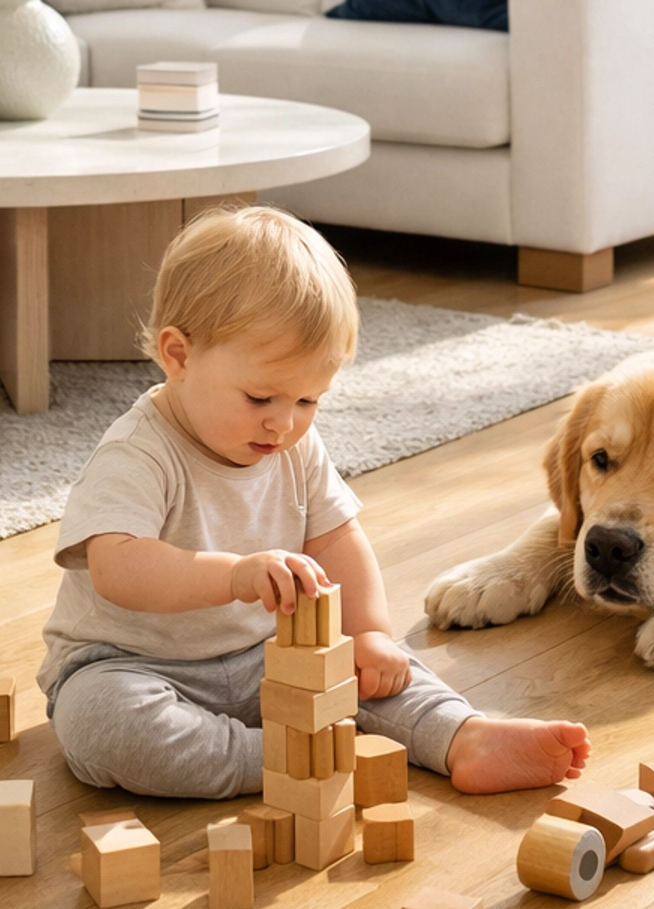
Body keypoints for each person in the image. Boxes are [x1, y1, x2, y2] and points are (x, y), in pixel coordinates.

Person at [40, 203, 590, 801]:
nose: (284, 424)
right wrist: (236, 575)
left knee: (381, 672)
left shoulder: (293, 445)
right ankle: (291, 753)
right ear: (178, 355)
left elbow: (336, 538)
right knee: (107, 724)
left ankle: (464, 737)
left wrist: (370, 634)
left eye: (309, 401)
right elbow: (119, 567)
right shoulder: (136, 453)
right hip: (131, 665)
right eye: (260, 398)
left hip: (266, 656)